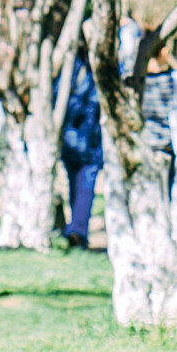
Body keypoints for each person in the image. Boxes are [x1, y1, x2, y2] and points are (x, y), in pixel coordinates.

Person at [60, 43, 103, 248]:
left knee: (79, 185)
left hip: (77, 138)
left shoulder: (73, 70)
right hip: (85, 139)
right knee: (84, 186)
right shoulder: (92, 74)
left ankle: (77, 228)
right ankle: (78, 229)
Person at [141, 37, 177, 195]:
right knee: (166, 193)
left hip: (146, 144)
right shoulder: (174, 79)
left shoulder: (138, 81)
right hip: (167, 143)